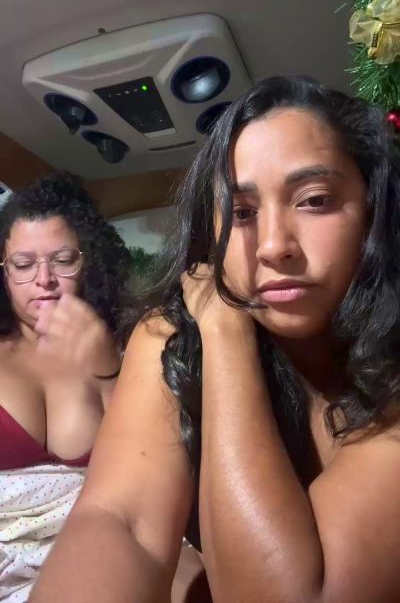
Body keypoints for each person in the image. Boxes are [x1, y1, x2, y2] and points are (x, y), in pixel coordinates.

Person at [31, 76, 400, 603]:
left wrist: (226, 335)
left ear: (373, 212)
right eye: (243, 213)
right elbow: (120, 520)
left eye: (314, 200)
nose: (273, 246)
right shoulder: (173, 337)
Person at [0, 172, 131, 600]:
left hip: (102, 550)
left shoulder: (127, 345)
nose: (44, 279)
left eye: (62, 260)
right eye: (23, 265)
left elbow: (147, 466)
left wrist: (108, 366)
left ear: (89, 260)